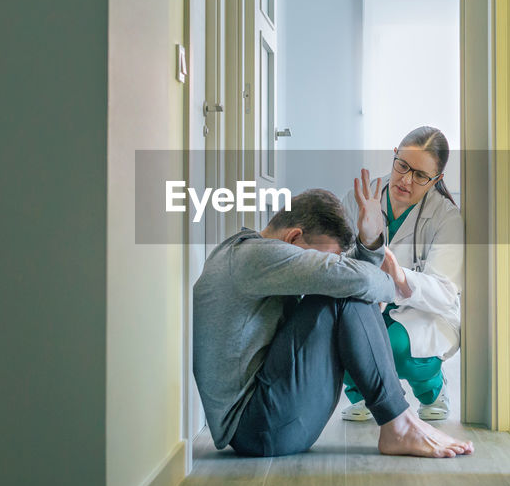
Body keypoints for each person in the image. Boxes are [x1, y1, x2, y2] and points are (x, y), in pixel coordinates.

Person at [192, 188, 473, 459]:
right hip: (259, 428)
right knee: (344, 290)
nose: (323, 265)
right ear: (293, 238)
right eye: (321, 257)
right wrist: (396, 282)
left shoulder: (248, 253)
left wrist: (370, 241)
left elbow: (346, 272)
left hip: (269, 420)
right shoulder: (254, 258)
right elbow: (356, 279)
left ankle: (399, 420)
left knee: (342, 285)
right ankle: (398, 423)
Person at [340, 126, 463, 423]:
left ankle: (431, 390)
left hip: (422, 311)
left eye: (421, 175)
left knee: (391, 347)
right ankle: (365, 395)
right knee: (335, 338)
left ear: (437, 180)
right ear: (395, 156)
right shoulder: (362, 197)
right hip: (366, 301)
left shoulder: (446, 217)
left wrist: (400, 275)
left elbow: (446, 293)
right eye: (403, 166)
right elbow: (335, 260)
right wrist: (365, 244)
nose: (406, 180)